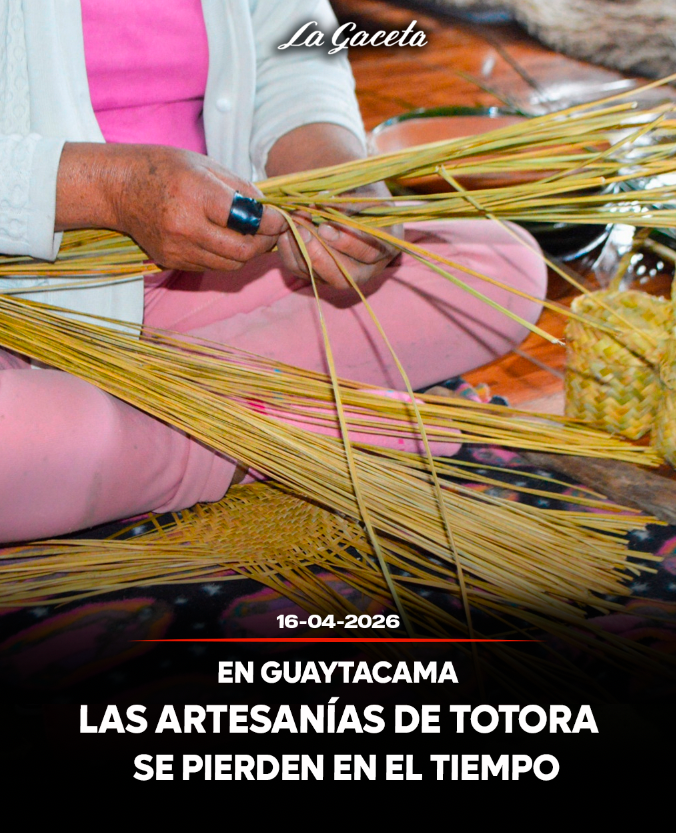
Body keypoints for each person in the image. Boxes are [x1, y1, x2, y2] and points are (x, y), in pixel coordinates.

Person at [0, 0, 546, 542]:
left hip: (210, 262)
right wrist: (109, 190)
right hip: (18, 306)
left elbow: (292, 45)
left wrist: (333, 175)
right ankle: (309, 433)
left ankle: (151, 428)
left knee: (498, 269)